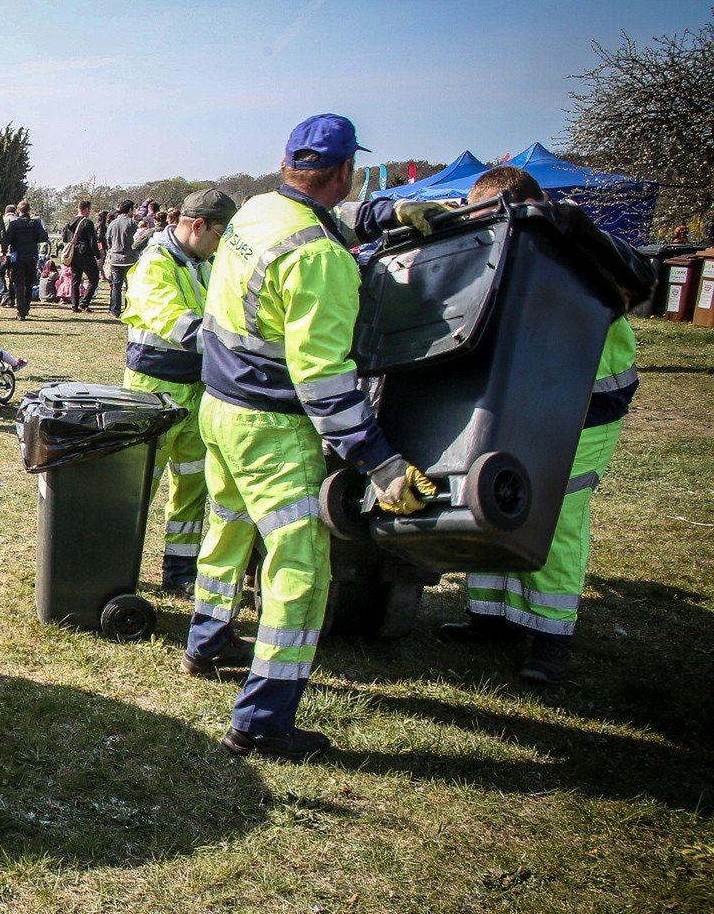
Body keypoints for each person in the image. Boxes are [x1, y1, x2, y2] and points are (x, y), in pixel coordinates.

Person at [187, 114, 436, 761]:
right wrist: (379, 462)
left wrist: (380, 218)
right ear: (346, 172)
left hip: (218, 408)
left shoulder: (257, 211)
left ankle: (208, 639)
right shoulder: (320, 259)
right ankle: (264, 721)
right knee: (300, 572)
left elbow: (314, 231)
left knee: (226, 529)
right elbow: (324, 381)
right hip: (270, 429)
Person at [435, 167, 637, 685]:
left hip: (586, 409)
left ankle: (551, 638)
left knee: (555, 513)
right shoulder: (505, 246)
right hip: (520, 402)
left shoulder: (579, 250)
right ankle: (491, 617)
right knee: (492, 499)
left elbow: (629, 282)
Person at [122, 188, 239, 596]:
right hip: (155, 393)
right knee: (139, 486)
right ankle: (117, 570)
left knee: (192, 485)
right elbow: (176, 322)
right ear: (197, 225)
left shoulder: (201, 263)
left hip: (197, 391)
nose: (220, 246)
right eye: (219, 235)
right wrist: (237, 347)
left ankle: (179, 572)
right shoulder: (155, 264)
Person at [0, 200, 49, 320]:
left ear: (18, 211)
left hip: (18, 256)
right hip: (32, 256)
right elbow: (44, 237)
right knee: (29, 283)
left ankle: (20, 311)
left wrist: (5, 253)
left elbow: (6, 240)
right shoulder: (35, 223)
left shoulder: (14, 224)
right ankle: (26, 306)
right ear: (28, 210)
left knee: (19, 284)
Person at [66, 200, 103, 311]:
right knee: (94, 278)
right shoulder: (87, 222)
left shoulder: (70, 222)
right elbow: (92, 241)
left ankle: (74, 305)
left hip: (73, 253)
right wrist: (97, 255)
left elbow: (65, 237)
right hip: (85, 253)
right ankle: (84, 303)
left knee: (75, 279)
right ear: (86, 209)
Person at [104, 201, 139, 317]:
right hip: (130, 258)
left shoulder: (112, 223)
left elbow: (108, 239)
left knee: (116, 286)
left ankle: (115, 311)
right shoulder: (133, 223)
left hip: (115, 258)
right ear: (130, 210)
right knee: (131, 286)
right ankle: (129, 309)